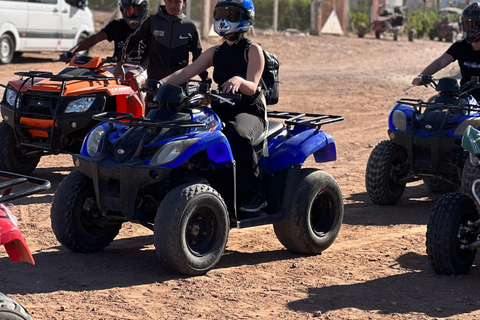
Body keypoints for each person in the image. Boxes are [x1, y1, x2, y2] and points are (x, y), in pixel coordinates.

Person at [159, 0, 267, 213]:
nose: (224, 20)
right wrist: (157, 83)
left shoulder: (253, 50)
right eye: (220, 14)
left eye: (231, 15)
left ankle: (254, 193)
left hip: (248, 110)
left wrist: (239, 80)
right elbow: (185, 73)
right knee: (188, 129)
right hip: (221, 108)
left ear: (245, 18)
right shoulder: (215, 52)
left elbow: (252, 87)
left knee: (238, 134)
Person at [117, 0, 208, 114]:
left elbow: (198, 57)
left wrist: (205, 80)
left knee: (176, 124)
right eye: (169, 1)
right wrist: (120, 63)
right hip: (154, 86)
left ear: (184, 3)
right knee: (152, 123)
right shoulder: (152, 21)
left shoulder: (190, 26)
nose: (173, 5)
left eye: (177, 2)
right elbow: (133, 40)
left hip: (179, 87)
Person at [412, 2, 480, 99]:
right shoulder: (460, 46)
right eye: (466, 24)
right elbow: (441, 62)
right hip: (465, 95)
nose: (469, 29)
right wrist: (423, 75)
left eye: (474, 25)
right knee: (433, 101)